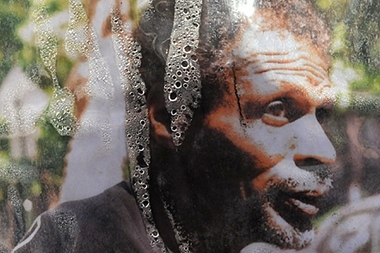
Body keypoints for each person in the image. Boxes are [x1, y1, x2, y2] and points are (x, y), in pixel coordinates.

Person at [13, 0, 336, 252]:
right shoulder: (76, 240)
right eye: (277, 110)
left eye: (321, 115)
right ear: (170, 118)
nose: (324, 151)